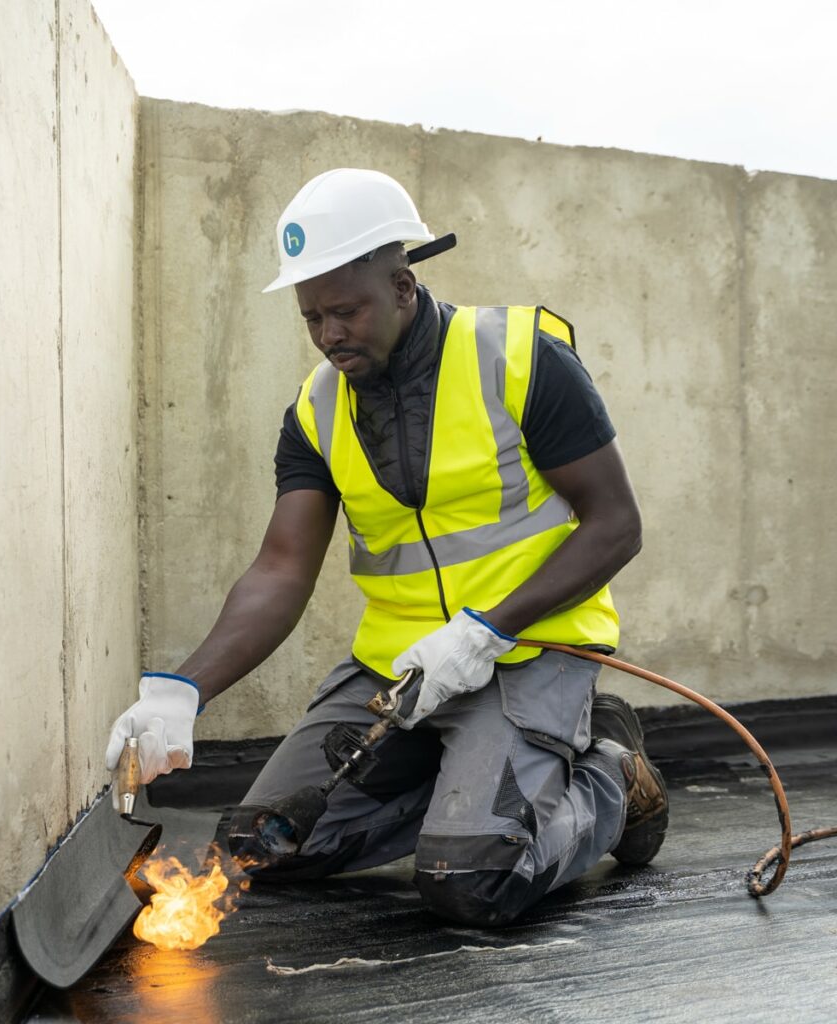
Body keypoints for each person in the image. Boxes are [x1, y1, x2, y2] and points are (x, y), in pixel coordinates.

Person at [105, 168, 667, 926]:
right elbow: (281, 568)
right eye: (312, 318)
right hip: (397, 672)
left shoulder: (521, 360)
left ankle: (612, 772)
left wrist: (486, 628)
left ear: (402, 287)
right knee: (256, 847)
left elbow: (616, 524)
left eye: (347, 311)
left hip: (529, 647)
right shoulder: (315, 409)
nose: (330, 335)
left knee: (472, 877)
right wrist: (183, 690)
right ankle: (464, 786)